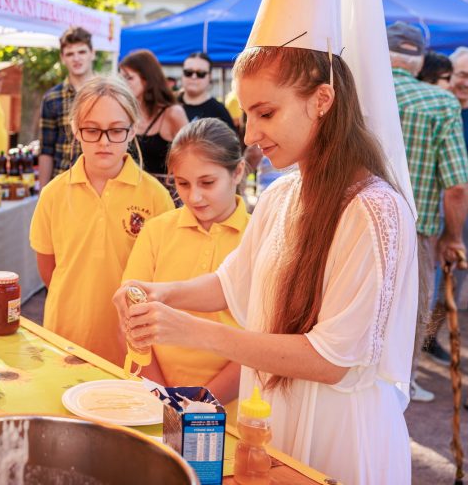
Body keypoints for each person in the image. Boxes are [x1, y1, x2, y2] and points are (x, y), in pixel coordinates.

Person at [114, 46, 417, 484]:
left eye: (266, 113)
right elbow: (230, 283)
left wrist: (187, 329)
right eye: (248, 116)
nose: (251, 134)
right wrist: (160, 293)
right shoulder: (280, 195)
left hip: (340, 437)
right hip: (272, 423)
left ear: (322, 100)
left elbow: (332, 359)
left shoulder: (373, 211)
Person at [30, 76, 174, 366]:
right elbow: (50, 270)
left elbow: (164, 277)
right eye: (92, 130)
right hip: (64, 341)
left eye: (116, 130)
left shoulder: (156, 197)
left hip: (131, 351)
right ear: (75, 130)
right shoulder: (53, 194)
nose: (104, 142)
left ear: (133, 130)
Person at [122, 118, 245, 413]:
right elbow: (130, 318)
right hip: (154, 398)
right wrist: (165, 396)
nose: (194, 196)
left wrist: (199, 404)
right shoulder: (157, 231)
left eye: (208, 182)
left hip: (231, 407)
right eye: (183, 184)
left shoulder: (259, 238)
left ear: (237, 172)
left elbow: (262, 341)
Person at [387, 22, 468, 402]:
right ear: (419, 60)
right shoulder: (440, 102)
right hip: (415, 229)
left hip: (347, 221)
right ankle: (401, 387)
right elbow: (456, 187)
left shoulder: (357, 91)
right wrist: (452, 237)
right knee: (413, 314)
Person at [38, 27, 96, 190]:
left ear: (93, 53)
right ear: (62, 58)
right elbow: (46, 149)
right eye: (70, 54)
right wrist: (43, 193)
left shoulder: (109, 93)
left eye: (82, 52)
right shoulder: (52, 98)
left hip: (101, 182)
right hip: (63, 182)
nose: (76, 58)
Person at [119, 49, 189, 185]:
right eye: (122, 78)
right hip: (130, 193)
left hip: (166, 196)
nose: (123, 83)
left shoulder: (172, 113)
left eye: (129, 77)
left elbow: (192, 157)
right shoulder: (124, 112)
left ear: (146, 80)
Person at [178, 52, 236, 133]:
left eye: (200, 73)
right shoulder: (169, 104)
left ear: (210, 76)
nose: (193, 77)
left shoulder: (218, 111)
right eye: (188, 72)